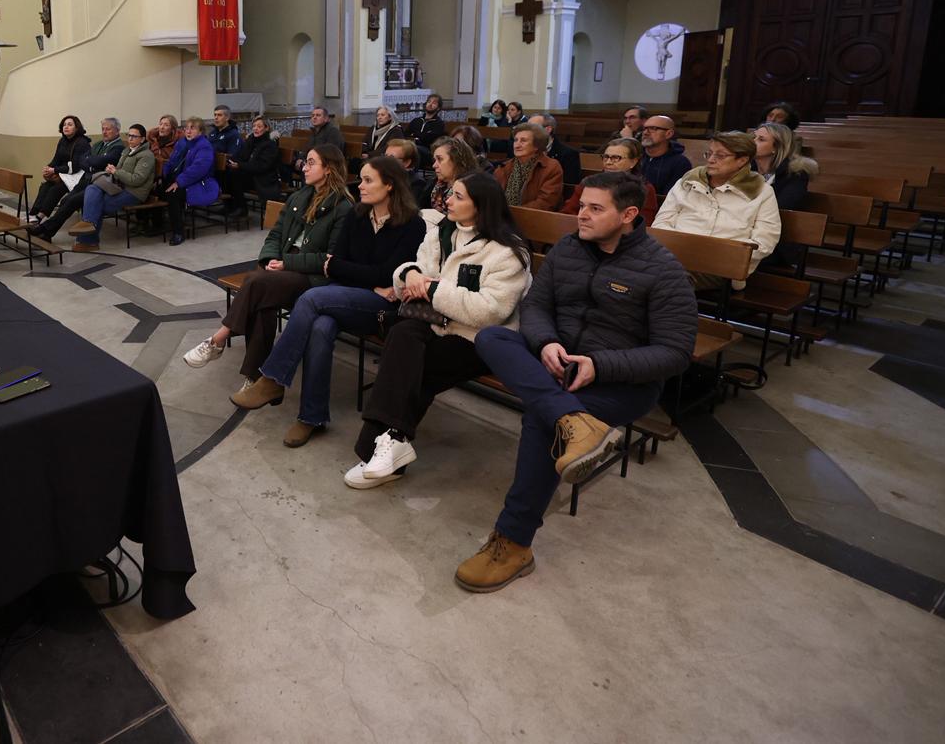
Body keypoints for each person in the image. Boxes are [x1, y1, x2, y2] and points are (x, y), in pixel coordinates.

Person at [456, 173, 697, 592]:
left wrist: (599, 366)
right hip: (554, 364)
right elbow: (535, 306)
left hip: (618, 382)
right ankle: (574, 420)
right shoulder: (570, 248)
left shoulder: (662, 269)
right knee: (492, 337)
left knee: (541, 418)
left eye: (595, 208)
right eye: (581, 204)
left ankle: (514, 542)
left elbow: (675, 352)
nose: (580, 215)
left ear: (629, 215)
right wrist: (546, 342)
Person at [347, 169, 531, 488]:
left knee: (409, 364)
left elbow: (489, 311)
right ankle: (392, 444)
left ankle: (376, 449)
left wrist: (431, 288)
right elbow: (415, 268)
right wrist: (412, 274)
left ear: (482, 206)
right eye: (451, 194)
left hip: (478, 341)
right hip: (434, 325)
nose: (448, 200)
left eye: (458, 196)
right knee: (404, 337)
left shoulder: (507, 251)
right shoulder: (443, 232)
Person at [240, 156, 426, 447]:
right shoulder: (357, 215)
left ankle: (273, 379)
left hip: (382, 307)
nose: (360, 186)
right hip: (347, 295)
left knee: (312, 297)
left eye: (368, 181)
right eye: (361, 179)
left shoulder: (412, 225)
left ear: (389, 185)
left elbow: (386, 274)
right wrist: (369, 279)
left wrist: (360, 274)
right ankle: (311, 418)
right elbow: (336, 263)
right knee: (320, 328)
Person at [182, 146, 353, 393]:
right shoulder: (299, 197)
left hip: (312, 278)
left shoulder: (343, 207)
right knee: (262, 303)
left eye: (311, 163)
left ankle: (218, 339)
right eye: (305, 161)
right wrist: (269, 258)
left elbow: (330, 259)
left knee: (256, 283)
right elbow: (275, 235)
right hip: (282, 266)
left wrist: (287, 263)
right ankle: (256, 378)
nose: (303, 167)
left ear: (328, 169)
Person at [653, 130, 781, 290]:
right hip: (674, 258)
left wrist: (715, 255)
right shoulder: (687, 182)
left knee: (666, 280)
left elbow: (765, 241)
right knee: (631, 270)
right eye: (709, 153)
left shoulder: (761, 191)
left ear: (742, 160)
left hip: (723, 269)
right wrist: (680, 249)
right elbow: (661, 223)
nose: (711, 160)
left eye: (720, 156)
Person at [29, 117, 126, 240]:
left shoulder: (118, 147)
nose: (104, 132)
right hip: (87, 180)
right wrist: (91, 164)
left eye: (108, 129)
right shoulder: (99, 144)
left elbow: (102, 160)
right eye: (103, 129)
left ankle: (46, 230)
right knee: (65, 201)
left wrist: (90, 163)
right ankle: (45, 228)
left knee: (71, 201)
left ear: (117, 131)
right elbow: (83, 161)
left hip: (100, 185)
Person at [71, 124, 156, 252]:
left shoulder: (146, 155)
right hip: (119, 187)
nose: (130, 138)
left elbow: (136, 180)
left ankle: (88, 240)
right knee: (92, 189)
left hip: (134, 192)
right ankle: (88, 226)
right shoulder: (127, 151)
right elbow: (120, 170)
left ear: (142, 139)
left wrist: (116, 172)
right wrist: (111, 171)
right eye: (129, 135)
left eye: (134, 136)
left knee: (96, 204)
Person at [561, 138, 658, 222]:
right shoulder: (589, 183)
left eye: (616, 158)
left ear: (633, 162)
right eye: (606, 157)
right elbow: (567, 213)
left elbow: (644, 223)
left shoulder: (645, 189)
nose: (608, 162)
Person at [162, 116, 221, 245]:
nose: (188, 131)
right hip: (179, 178)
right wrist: (165, 174)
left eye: (192, 128)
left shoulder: (204, 146)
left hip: (199, 183)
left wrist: (178, 182)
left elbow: (198, 170)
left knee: (173, 195)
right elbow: (172, 160)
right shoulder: (182, 142)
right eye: (186, 128)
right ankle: (157, 225)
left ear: (200, 131)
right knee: (155, 189)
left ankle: (178, 232)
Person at [28, 115, 91, 225]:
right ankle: (33, 214)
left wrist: (54, 170)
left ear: (77, 128)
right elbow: (56, 159)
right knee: (45, 186)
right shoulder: (62, 140)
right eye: (64, 125)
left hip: (78, 176)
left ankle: (40, 216)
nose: (66, 127)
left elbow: (76, 166)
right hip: (64, 173)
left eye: (70, 125)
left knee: (55, 189)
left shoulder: (82, 142)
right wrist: (48, 168)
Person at [494, 123, 564, 210]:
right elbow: (492, 197)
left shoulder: (551, 167)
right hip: (502, 218)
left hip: (535, 219)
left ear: (537, 145)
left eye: (523, 141)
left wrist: (512, 214)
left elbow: (545, 203)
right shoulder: (504, 168)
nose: (517, 145)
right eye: (515, 140)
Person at [753, 121, 817, 212]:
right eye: (753, 137)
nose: (753, 142)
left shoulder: (795, 175)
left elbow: (783, 207)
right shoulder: (743, 168)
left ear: (777, 148)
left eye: (761, 139)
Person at [224, 115, 281, 213]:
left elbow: (261, 166)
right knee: (227, 173)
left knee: (235, 176)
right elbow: (241, 155)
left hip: (263, 178)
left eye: (259, 126)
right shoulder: (251, 140)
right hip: (251, 174)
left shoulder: (270, 145)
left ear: (266, 128)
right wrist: (231, 160)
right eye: (254, 126)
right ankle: (231, 206)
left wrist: (240, 165)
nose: (255, 129)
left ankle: (241, 208)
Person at [639, 115, 691, 196]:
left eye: (653, 128)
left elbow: (672, 197)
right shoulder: (636, 156)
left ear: (669, 134)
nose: (645, 133)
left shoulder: (680, 163)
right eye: (644, 128)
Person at [423, 136, 477, 214]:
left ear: (457, 160)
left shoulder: (471, 189)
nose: (434, 165)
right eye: (435, 160)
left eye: (440, 159)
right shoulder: (433, 184)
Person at [527, 112, 582, 185]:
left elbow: (568, 185)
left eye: (532, 127)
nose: (527, 132)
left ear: (548, 130)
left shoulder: (568, 154)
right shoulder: (524, 149)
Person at [386, 138, 432, 207]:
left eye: (391, 158)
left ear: (407, 162)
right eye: (385, 156)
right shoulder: (383, 176)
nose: (385, 161)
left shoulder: (416, 183)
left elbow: (407, 209)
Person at [404, 94, 448, 163]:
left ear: (438, 108)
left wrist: (415, 136)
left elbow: (430, 139)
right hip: (412, 146)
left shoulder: (439, 123)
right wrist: (420, 137)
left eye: (434, 103)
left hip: (429, 151)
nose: (430, 104)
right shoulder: (416, 120)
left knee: (415, 149)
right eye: (429, 102)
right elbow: (406, 134)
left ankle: (410, 172)